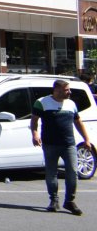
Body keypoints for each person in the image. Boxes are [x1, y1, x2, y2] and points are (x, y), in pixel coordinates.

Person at [30, 79, 94, 215]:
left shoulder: (71, 104)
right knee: (51, 172)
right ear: (57, 90)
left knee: (72, 172)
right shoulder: (42, 102)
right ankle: (54, 200)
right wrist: (35, 134)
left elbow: (78, 122)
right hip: (50, 144)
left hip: (69, 144)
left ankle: (69, 201)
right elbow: (34, 120)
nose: (69, 92)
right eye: (66, 90)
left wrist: (86, 139)